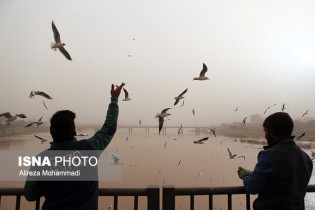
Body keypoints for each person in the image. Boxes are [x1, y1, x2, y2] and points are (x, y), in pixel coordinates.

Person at [24, 82, 125, 210]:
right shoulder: (89, 148)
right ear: (74, 132)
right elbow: (109, 128)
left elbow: (30, 195)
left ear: (51, 133)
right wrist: (114, 100)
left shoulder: (41, 160)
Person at [237, 112, 313, 210]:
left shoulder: (269, 156)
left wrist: (246, 175)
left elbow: (253, 186)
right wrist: (253, 174)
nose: (265, 136)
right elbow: (282, 180)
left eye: (265, 131)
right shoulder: (305, 157)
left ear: (272, 132)